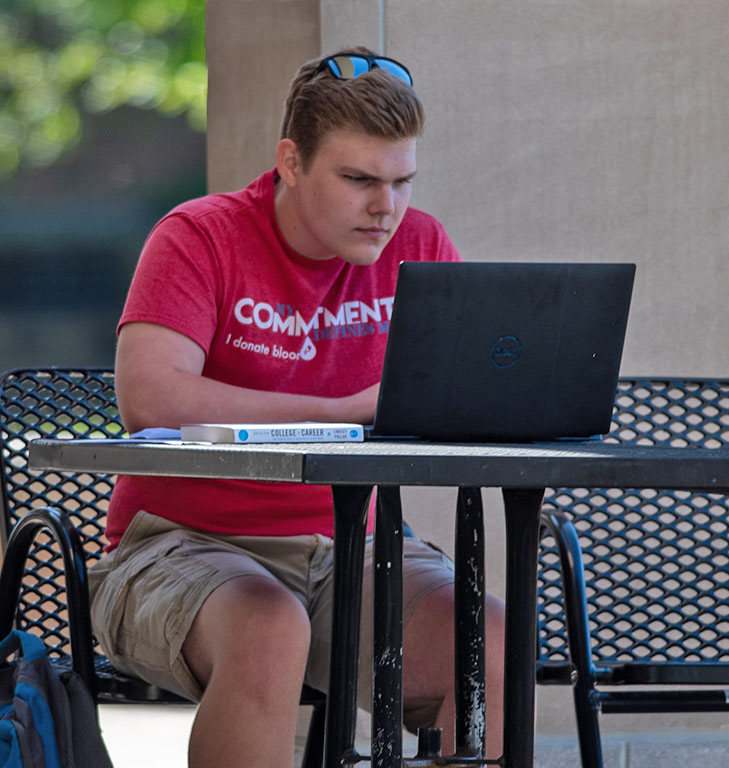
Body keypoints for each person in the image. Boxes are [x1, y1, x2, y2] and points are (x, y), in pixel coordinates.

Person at [88, 47, 506, 767]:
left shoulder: (421, 242)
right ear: (289, 161)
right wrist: (343, 409)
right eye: (359, 180)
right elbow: (151, 398)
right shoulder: (201, 235)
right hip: (177, 545)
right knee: (268, 628)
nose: (387, 206)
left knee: (492, 641)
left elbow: (459, 395)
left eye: (403, 181)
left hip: (354, 547)